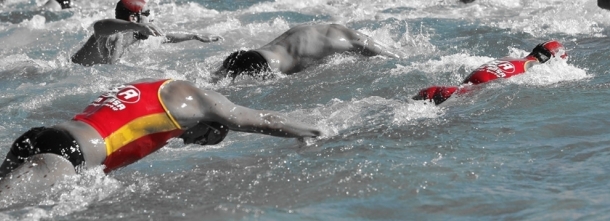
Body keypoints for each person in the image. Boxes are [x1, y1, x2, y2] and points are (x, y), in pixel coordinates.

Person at [0, 78, 322, 209]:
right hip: (66, 155)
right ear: (209, 124)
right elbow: (260, 120)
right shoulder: (197, 100)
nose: (192, 141)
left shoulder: (151, 89)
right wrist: (312, 132)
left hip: (40, 137)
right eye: (206, 138)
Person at [213, 23, 400, 81]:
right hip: (265, 66)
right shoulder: (353, 40)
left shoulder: (309, 27)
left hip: (245, 55)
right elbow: (390, 57)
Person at [412, 40, 568, 105]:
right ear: (549, 59)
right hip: (465, 96)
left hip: (447, 88)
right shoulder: (533, 69)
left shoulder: (509, 57)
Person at [71, 0, 223, 66]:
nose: (152, 17)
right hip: (70, 77)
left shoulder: (137, 34)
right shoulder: (113, 35)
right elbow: (99, 26)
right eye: (148, 13)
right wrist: (136, 26)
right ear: (133, 18)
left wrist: (194, 36)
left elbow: (166, 37)